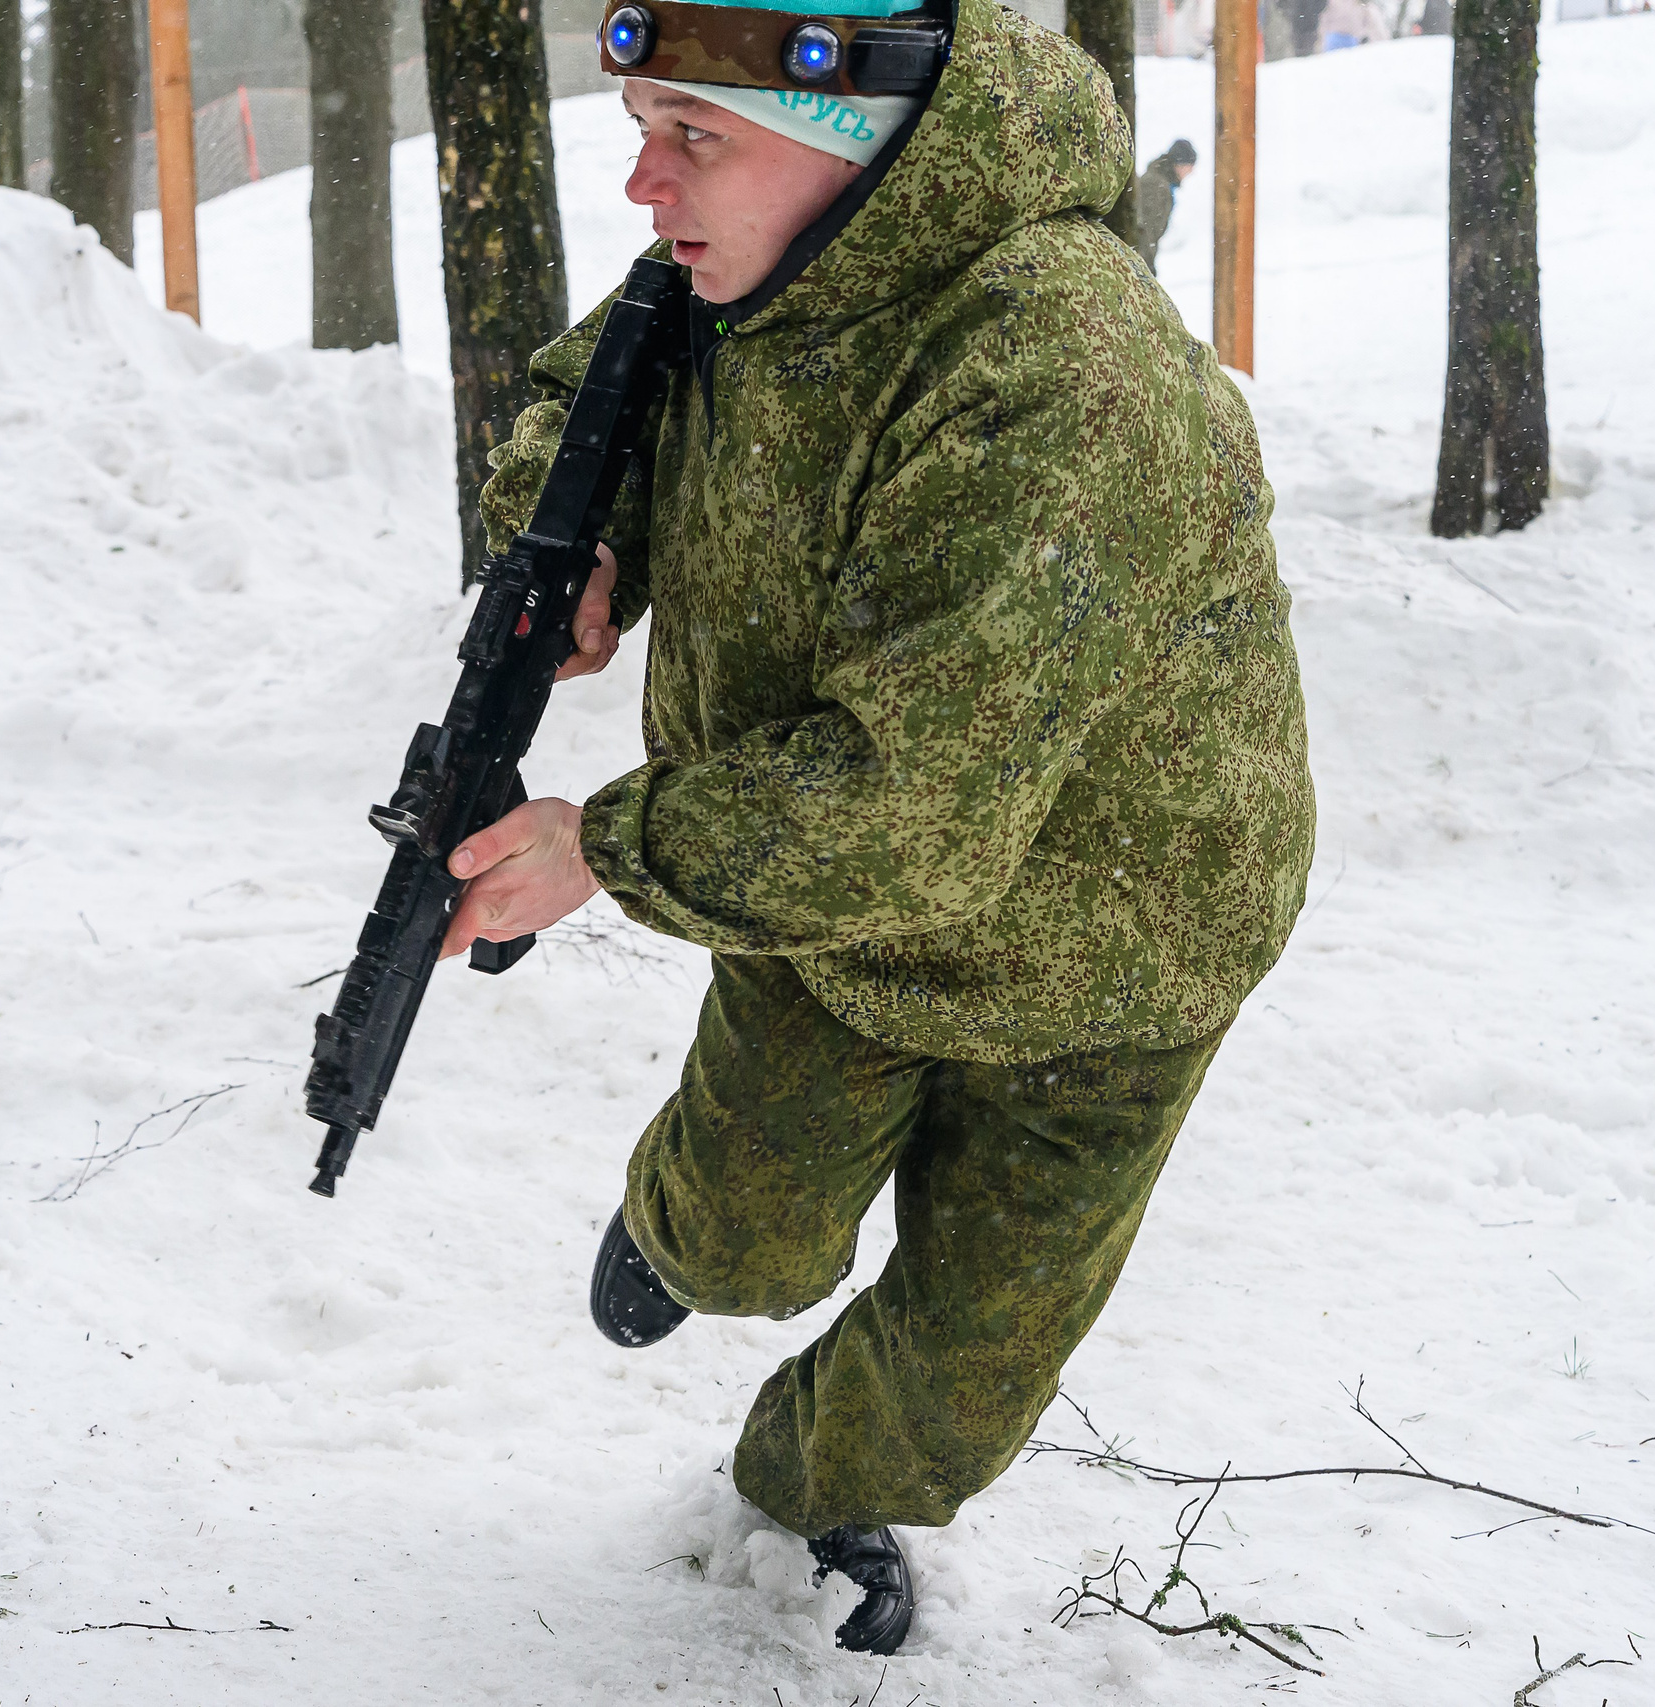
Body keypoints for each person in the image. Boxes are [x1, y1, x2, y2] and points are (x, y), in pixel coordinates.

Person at [445, 0, 1314, 1656]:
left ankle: (799, 1499)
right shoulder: (748, 263)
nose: (645, 184)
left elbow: (917, 802)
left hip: (1111, 958)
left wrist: (601, 850)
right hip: (821, 908)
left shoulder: (1064, 372)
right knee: (750, 1237)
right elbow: (594, 381)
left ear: (860, 140)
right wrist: (578, 542)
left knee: (950, 1389)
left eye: (689, 136)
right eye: (641, 123)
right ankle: (686, 1227)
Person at [1132, 136, 1197, 275]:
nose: (1191, 172)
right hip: (1138, 261)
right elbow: (1146, 230)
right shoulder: (1157, 186)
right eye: (1189, 166)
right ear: (1179, 164)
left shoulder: (1160, 183)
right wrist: (1146, 268)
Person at [1318, 0, 1390, 48]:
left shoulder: (1363, 7)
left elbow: (1372, 27)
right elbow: (1324, 20)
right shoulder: (1330, 3)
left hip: (1351, 38)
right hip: (1334, 37)